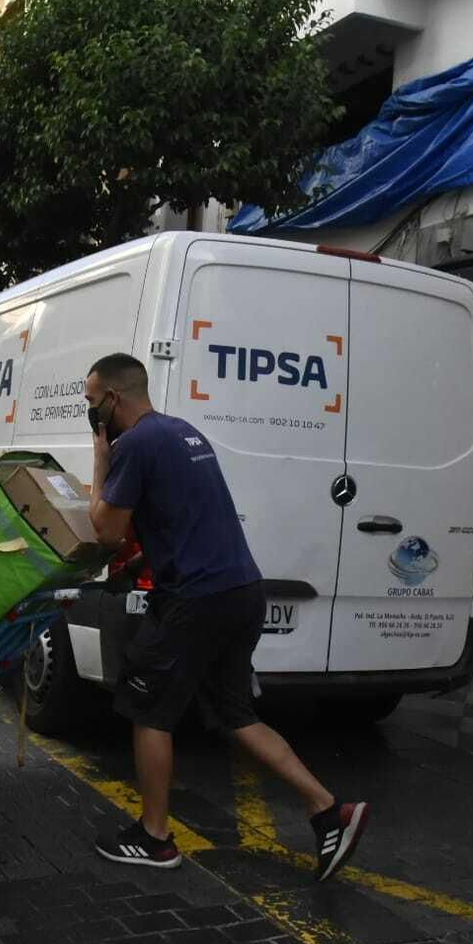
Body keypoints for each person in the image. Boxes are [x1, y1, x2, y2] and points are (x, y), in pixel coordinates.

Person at [84, 353, 368, 880]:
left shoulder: (135, 445)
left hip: (196, 599)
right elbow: (187, 515)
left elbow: (103, 530)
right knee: (237, 715)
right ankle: (331, 810)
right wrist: (152, 558)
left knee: (148, 709)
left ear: (113, 400)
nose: (90, 412)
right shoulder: (181, 432)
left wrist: (99, 461)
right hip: (240, 589)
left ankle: (154, 838)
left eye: (91, 402)